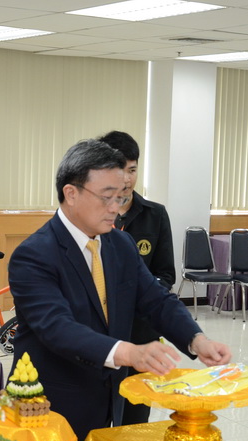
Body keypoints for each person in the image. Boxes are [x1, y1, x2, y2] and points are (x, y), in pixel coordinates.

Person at [8, 139, 231, 441]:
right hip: (51, 407)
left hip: (109, 399)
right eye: (107, 197)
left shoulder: (120, 245)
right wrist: (128, 352)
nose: (115, 208)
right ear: (71, 193)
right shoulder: (34, 254)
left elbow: (155, 299)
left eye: (121, 197)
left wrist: (196, 339)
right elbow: (57, 328)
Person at [97, 130, 176, 425]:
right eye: (119, 169)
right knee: (97, 421)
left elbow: (166, 274)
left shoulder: (155, 215)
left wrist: (140, 294)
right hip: (100, 337)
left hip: (141, 337)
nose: (127, 178)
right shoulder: (90, 215)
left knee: (134, 421)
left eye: (132, 170)